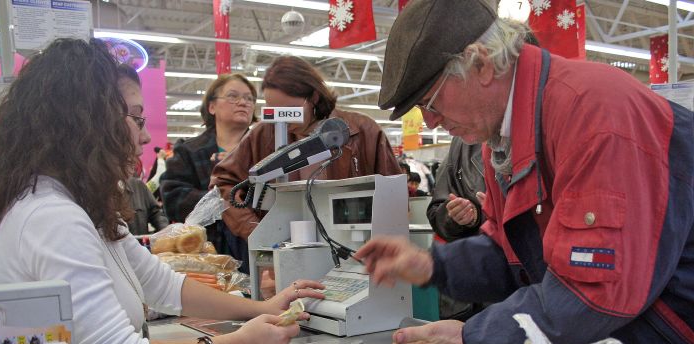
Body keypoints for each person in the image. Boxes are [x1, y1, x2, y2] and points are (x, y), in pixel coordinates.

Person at [355, 0, 694, 344]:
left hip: (693, 342)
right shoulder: (502, 140)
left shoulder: (595, 112)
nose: (431, 122)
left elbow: (596, 290)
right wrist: (431, 265)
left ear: (481, 64)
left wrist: (472, 337)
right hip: (623, 334)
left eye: (431, 102)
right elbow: (514, 253)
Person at [0, 39, 324, 344]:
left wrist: (259, 308)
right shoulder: (53, 218)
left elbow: (163, 284)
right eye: (136, 119)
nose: (143, 137)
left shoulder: (83, 208)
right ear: (89, 122)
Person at [211, 55, 401, 262]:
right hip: (287, 256)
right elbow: (223, 183)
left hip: (355, 252)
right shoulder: (264, 134)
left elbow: (395, 196)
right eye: (274, 110)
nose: (282, 119)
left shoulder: (363, 132)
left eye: (290, 110)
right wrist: (258, 232)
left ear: (314, 98)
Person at [160, 73, 257, 223]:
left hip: (257, 239)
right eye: (233, 96)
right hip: (205, 243)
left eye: (249, 98)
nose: (243, 102)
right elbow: (173, 201)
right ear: (212, 107)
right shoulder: (188, 151)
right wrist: (222, 199)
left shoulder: (265, 151)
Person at [426, 136, 485, 241]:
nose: (431, 124)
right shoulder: (461, 144)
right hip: (482, 250)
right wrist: (461, 214)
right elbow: (437, 214)